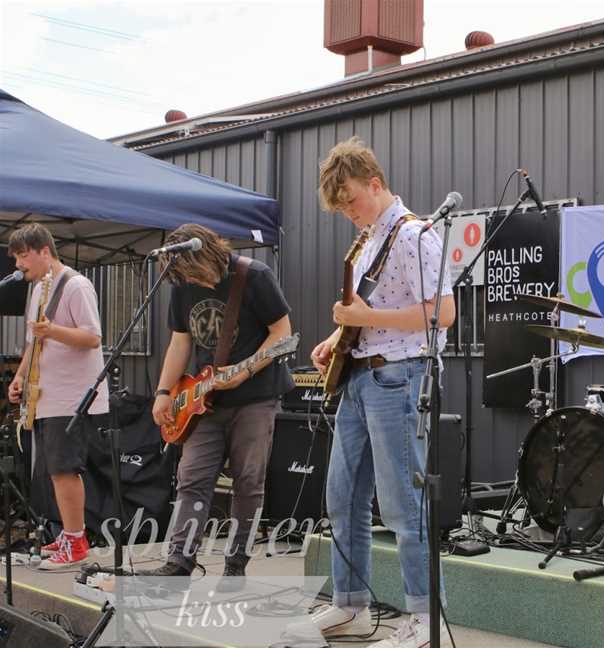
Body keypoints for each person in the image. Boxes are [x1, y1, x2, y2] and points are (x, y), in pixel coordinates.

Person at [309, 137, 455, 648]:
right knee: (342, 494)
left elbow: (443, 313)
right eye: (340, 205)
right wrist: (337, 337)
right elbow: (370, 309)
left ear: (375, 183)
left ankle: (422, 617)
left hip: (399, 377)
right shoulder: (372, 238)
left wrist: (364, 319)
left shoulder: (415, 235)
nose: (348, 211)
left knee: (401, 503)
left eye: (351, 199)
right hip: (361, 375)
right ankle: (348, 604)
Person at [143, 223, 293, 588]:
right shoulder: (181, 286)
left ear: (210, 251)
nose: (199, 281)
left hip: (256, 396)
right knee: (192, 477)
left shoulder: (254, 276)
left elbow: (283, 334)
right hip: (204, 399)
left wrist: (245, 371)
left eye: (200, 273)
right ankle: (180, 561)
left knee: (248, 480)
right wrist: (164, 392)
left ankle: (236, 565)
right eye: (190, 276)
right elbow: (181, 342)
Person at [7, 223, 109, 569]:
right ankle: (68, 534)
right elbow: (33, 342)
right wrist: (19, 376)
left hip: (71, 396)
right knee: (52, 471)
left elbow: (93, 338)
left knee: (65, 470)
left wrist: (53, 330)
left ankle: (78, 543)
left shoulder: (76, 286)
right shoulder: (37, 289)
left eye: (23, 256)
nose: (19, 264)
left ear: (44, 251)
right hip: (45, 395)